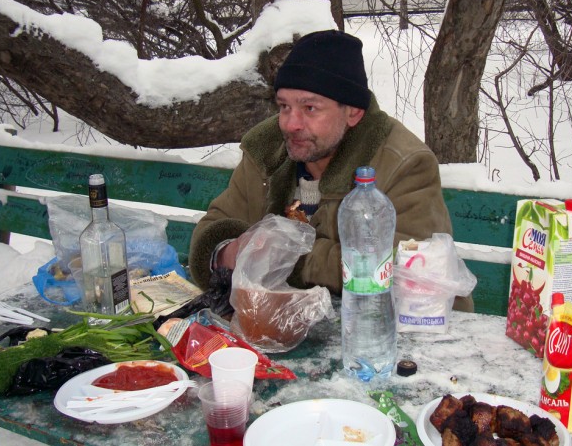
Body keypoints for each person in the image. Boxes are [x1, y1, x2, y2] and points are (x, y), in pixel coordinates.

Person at [189, 29, 474, 312]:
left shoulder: (403, 163)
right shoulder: (266, 150)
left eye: (310, 108)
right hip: (276, 326)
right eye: (284, 106)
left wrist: (292, 258)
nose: (290, 124)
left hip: (381, 329)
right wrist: (227, 252)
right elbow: (213, 229)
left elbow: (415, 272)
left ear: (353, 112)